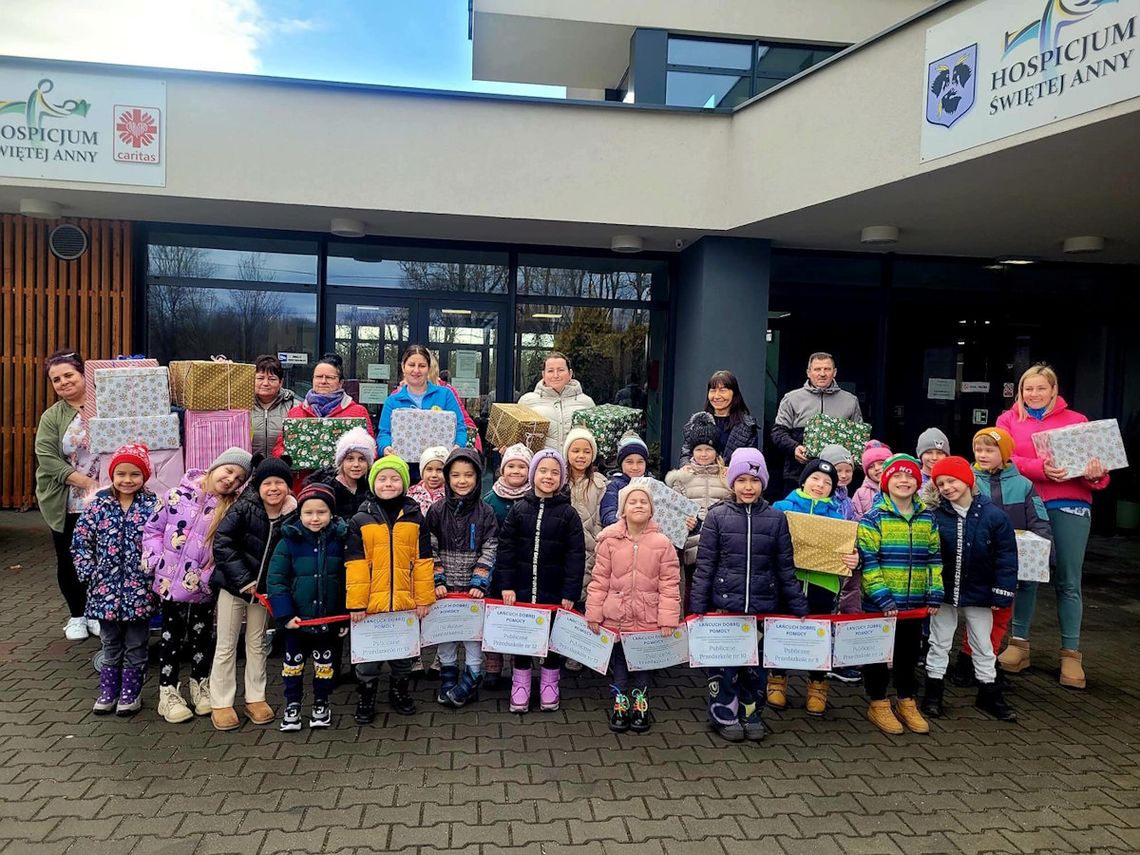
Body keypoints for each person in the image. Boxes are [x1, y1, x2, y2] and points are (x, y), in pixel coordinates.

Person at [994, 365, 1109, 689]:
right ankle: (1019, 644)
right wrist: (1040, 469)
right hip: (1026, 505)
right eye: (1028, 389)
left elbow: (1100, 476)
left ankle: (1070, 653)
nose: (1033, 394)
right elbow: (1003, 458)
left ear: (1053, 389)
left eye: (1040, 388)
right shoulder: (1008, 421)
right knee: (1026, 576)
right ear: (1020, 390)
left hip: (1071, 505)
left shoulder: (1078, 422)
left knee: (1069, 581)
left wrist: (1096, 473)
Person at [690, 448, 808, 743]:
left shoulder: (776, 519)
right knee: (725, 668)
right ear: (732, 482)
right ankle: (723, 714)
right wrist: (698, 607)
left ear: (763, 483)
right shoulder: (717, 517)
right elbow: (705, 565)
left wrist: (798, 606)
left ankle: (751, 713)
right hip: (724, 609)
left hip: (761, 609)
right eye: (741, 479)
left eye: (754, 480)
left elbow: (784, 566)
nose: (748, 486)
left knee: (755, 670)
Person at [143, 447, 251, 723]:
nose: (231, 480)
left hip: (202, 588)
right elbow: (153, 529)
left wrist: (208, 577)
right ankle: (168, 693)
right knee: (171, 638)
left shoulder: (231, 509)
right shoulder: (174, 496)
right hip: (169, 583)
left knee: (202, 638)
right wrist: (154, 559)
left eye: (239, 479)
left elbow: (228, 547)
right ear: (215, 466)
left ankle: (201, 687)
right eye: (229, 471)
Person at [951, 427, 1053, 687]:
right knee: (976, 614)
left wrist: (1046, 552)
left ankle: (988, 661)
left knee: (1000, 616)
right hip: (976, 563)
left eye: (990, 450)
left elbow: (1039, 521)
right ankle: (967, 661)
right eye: (978, 449)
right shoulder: (967, 480)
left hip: (1007, 565)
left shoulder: (1024, 485)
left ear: (1005, 453)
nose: (982, 455)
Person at [919, 457, 1018, 722]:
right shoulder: (935, 516)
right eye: (941, 484)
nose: (947, 487)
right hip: (944, 591)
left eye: (951, 480)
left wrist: (1002, 592)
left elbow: (1006, 557)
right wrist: (930, 589)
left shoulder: (994, 515)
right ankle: (933, 693)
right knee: (939, 642)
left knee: (983, 644)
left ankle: (989, 693)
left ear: (967, 479)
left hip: (979, 590)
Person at [586, 478, 681, 734]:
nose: (638, 505)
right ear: (622, 510)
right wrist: (594, 612)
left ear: (651, 509)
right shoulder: (609, 542)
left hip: (648, 617)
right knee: (619, 663)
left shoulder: (663, 543)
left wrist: (668, 618)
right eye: (632, 501)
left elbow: (670, 583)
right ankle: (620, 701)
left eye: (644, 502)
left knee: (643, 664)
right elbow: (599, 581)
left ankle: (641, 703)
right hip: (616, 616)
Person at [346, 455, 436, 723]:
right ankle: (367, 694)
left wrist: (423, 599)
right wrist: (357, 603)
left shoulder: (415, 517)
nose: (388, 483)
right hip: (371, 604)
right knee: (368, 659)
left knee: (402, 655)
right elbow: (355, 564)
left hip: (405, 602)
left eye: (395, 478)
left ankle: (400, 691)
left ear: (405, 483)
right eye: (382, 478)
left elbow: (423, 562)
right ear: (373, 483)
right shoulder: (360, 519)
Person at [209, 457, 297, 731]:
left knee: (257, 642)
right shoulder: (244, 508)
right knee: (226, 644)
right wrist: (244, 579)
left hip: (265, 593)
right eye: (267, 483)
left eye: (279, 483)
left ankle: (255, 697)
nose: (273, 488)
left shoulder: (292, 515)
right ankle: (221, 702)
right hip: (234, 588)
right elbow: (223, 543)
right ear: (258, 486)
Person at [857, 454, 943, 736]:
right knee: (877, 656)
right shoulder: (873, 518)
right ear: (886, 482)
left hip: (914, 604)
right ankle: (878, 702)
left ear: (918, 483)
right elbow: (868, 561)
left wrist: (934, 594)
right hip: (880, 604)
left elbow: (934, 559)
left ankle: (906, 699)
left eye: (910, 476)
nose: (904, 481)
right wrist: (882, 597)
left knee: (908, 653)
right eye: (897, 476)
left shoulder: (927, 518)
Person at [71, 444, 158, 717]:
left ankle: (130, 694)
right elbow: (80, 542)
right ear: (112, 475)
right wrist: (90, 573)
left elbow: (161, 541)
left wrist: (153, 572)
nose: (127, 480)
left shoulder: (153, 505)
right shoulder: (98, 505)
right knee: (111, 644)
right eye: (121, 473)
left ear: (144, 477)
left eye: (135, 474)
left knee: (136, 644)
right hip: (105, 589)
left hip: (140, 590)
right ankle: (108, 692)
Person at [497, 449, 586, 713]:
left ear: (562, 478)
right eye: (543, 471)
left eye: (555, 472)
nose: (548, 476)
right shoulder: (518, 510)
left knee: (553, 638)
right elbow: (506, 550)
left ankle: (550, 681)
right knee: (523, 639)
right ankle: (521, 682)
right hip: (522, 590)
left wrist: (570, 591)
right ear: (534, 474)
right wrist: (506, 584)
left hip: (554, 590)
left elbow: (575, 556)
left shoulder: (569, 514)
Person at [771, 459, 860, 715]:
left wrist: (855, 557)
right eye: (815, 479)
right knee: (782, 627)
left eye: (827, 483)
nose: (820, 485)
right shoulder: (781, 508)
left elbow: (854, 548)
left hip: (825, 583)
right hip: (789, 579)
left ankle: (817, 684)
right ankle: (776, 679)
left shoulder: (840, 515)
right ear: (804, 480)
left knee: (820, 632)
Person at [267, 482, 349, 731]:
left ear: (331, 514)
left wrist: (344, 617)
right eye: (309, 513)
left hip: (328, 621)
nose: (315, 518)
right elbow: (276, 580)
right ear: (299, 514)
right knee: (293, 666)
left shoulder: (340, 541)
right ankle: (292, 704)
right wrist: (285, 614)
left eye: (321, 512)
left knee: (325, 666)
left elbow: (348, 581)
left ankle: (321, 703)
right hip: (297, 623)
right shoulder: (288, 542)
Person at [35, 350, 101, 640]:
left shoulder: (105, 405)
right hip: (69, 500)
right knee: (70, 557)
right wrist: (84, 482)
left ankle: (99, 612)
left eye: (68, 375)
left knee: (105, 557)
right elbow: (46, 457)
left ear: (84, 374)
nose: (63, 382)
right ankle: (77, 615)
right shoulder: (53, 416)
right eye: (56, 379)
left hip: (109, 497)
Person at [425, 448, 499, 707]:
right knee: (446, 635)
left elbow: (491, 547)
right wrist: (437, 579)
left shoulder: (486, 511)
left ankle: (472, 676)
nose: (462, 481)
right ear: (447, 478)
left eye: (468, 475)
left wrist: (479, 581)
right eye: (455, 475)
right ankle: (448, 678)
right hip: (444, 590)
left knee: (472, 637)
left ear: (478, 478)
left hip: (473, 591)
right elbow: (429, 548)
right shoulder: (436, 511)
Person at [770, 352, 863, 494]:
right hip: (797, 474)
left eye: (827, 369)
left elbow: (858, 440)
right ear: (808, 372)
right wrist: (794, 448)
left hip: (837, 478)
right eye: (817, 369)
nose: (822, 374)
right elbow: (778, 433)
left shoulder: (850, 401)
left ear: (834, 372)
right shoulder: (791, 398)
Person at [480, 443, 533, 689]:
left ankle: (516, 661)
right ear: (502, 469)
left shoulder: (534, 497)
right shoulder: (490, 499)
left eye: (522, 466)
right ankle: (493, 663)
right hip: (495, 565)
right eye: (511, 465)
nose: (516, 470)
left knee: (517, 615)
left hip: (522, 566)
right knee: (494, 614)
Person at [377, 345, 468, 483]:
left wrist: (456, 448)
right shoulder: (393, 401)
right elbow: (384, 433)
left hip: (439, 472)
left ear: (429, 368)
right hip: (406, 472)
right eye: (411, 365)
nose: (416, 370)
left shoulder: (445, 395)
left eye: (422, 365)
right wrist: (386, 448)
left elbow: (460, 428)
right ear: (403, 367)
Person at [272, 353, 374, 462]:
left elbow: (371, 448)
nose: (323, 381)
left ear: (340, 383)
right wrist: (288, 458)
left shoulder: (357, 412)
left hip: (343, 478)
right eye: (319, 377)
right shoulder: (296, 412)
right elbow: (280, 447)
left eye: (330, 377)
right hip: (304, 477)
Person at [667, 413, 732, 576]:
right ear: (692, 452)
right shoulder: (681, 479)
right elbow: (673, 514)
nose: (704, 454)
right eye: (699, 449)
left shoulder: (728, 478)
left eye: (709, 449)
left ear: (717, 451)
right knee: (692, 594)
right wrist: (685, 523)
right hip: (692, 548)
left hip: (724, 547)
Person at [678, 371, 761, 467]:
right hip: (699, 478)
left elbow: (749, 462)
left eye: (722, 390)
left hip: (730, 480)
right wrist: (686, 467)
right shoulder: (697, 422)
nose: (716, 396)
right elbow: (686, 454)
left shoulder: (747, 426)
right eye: (713, 390)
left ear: (734, 393)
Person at [517, 351, 596, 451]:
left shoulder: (586, 402)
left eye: (561, 370)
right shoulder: (527, 401)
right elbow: (516, 437)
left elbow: (593, 439)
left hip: (575, 465)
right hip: (541, 465)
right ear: (543, 374)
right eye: (550, 371)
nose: (556, 375)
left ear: (570, 373)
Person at [304, 426, 377, 520]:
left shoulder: (372, 486)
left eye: (362, 459)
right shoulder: (327, 487)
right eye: (350, 459)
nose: (356, 464)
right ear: (341, 462)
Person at [600, 433, 651, 527]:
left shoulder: (652, 484)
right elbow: (608, 513)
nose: (635, 467)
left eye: (640, 462)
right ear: (621, 464)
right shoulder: (614, 485)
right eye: (629, 462)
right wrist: (626, 526)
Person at [251, 354, 295, 459]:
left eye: (272, 379)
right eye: (260, 378)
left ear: (281, 382)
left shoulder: (293, 405)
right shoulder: (241, 405)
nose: (265, 383)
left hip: (280, 471)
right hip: (247, 472)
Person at [852, 440, 892, 521]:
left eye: (881, 463)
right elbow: (855, 519)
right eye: (871, 466)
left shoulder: (900, 487)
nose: (877, 468)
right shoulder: (860, 494)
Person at [819, 445, 857, 520]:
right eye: (838, 471)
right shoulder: (821, 494)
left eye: (848, 471)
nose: (843, 475)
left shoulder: (847, 501)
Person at [408, 446, 449, 515]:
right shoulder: (412, 493)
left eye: (439, 470)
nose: (434, 475)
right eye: (429, 469)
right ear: (422, 471)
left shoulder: (450, 494)